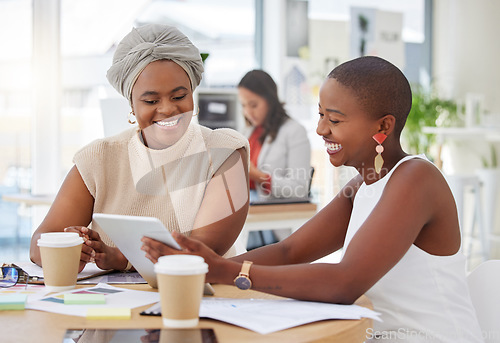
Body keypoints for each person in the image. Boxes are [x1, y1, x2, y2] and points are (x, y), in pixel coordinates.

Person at [142, 56, 483, 342]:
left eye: (334, 119)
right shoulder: (359, 185)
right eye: (321, 115)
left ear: (383, 126)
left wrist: (227, 271)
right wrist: (201, 267)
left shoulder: (415, 178)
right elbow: (291, 251)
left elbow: (345, 282)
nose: (321, 130)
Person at [30, 24, 250, 273]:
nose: (167, 109)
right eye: (151, 101)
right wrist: (71, 247)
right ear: (132, 105)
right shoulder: (99, 158)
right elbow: (39, 245)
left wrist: (123, 259)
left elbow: (204, 250)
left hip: (200, 300)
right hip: (115, 306)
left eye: (179, 96)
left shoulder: (224, 151)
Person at [237, 69, 312, 201]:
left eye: (253, 105)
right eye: (243, 105)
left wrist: (258, 176)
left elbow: (300, 189)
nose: (248, 112)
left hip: (273, 215)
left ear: (270, 100)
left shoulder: (295, 131)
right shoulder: (249, 131)